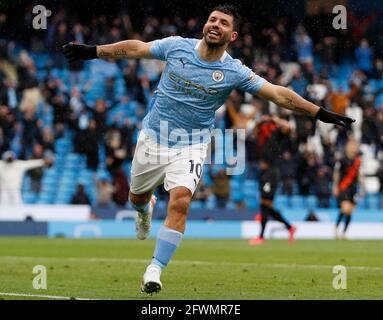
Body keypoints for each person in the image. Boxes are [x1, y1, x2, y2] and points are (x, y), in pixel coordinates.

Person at [63, 4, 354, 294]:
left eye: (223, 23)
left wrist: (319, 113)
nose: (215, 24)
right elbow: (137, 48)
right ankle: (144, 211)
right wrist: (94, 51)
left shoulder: (234, 70)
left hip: (191, 145)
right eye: (212, 19)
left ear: (233, 35)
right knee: (137, 198)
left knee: (181, 201)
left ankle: (154, 270)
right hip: (153, 138)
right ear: (205, 25)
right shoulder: (177, 47)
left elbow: (278, 93)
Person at [248, 115, 297, 246]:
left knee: (265, 204)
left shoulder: (277, 134)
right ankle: (289, 227)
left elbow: (288, 127)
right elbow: (254, 130)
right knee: (265, 205)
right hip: (264, 173)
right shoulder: (262, 134)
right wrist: (261, 120)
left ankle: (262, 236)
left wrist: (276, 119)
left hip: (272, 172)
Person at [333, 138, 364, 239]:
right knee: (345, 209)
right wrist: (335, 186)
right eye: (350, 145)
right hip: (343, 187)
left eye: (354, 146)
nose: (352, 147)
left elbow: (359, 175)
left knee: (350, 211)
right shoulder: (342, 159)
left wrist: (362, 187)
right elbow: (337, 173)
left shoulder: (358, 160)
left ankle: (344, 232)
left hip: (353, 188)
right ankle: (336, 227)